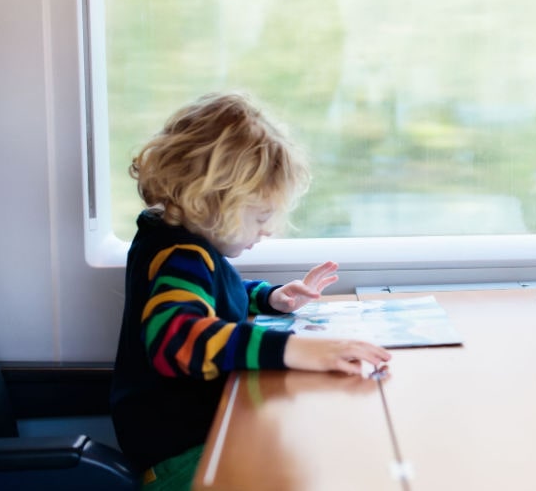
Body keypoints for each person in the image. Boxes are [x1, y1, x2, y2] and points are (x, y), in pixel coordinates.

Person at [110, 91, 392, 490]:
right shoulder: (180, 256)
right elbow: (176, 338)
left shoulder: (173, 243)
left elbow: (210, 293)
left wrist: (268, 297)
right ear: (212, 200)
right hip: (182, 458)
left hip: (191, 441)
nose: (269, 229)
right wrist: (296, 349)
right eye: (260, 216)